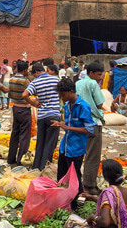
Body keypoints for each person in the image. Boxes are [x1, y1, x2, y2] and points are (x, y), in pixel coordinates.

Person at [51, 78, 95, 210]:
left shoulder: (83, 107)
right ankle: (62, 203)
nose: (61, 97)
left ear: (71, 91)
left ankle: (75, 206)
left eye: (62, 95)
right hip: (65, 147)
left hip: (76, 149)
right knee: (62, 177)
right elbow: (67, 123)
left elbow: (89, 129)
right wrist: (60, 124)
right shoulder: (66, 105)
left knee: (74, 179)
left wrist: (67, 127)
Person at [23, 63, 61, 171]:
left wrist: (33, 103)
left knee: (40, 142)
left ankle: (36, 167)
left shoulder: (35, 82)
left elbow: (24, 95)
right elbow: (61, 92)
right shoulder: (55, 80)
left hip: (42, 116)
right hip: (54, 114)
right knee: (50, 144)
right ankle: (44, 168)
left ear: (36, 72)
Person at [76, 62, 105, 195]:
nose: (100, 77)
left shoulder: (78, 83)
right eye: (98, 74)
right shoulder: (93, 83)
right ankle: (89, 185)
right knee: (93, 156)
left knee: (82, 153)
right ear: (91, 73)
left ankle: (78, 183)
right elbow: (99, 104)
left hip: (80, 122)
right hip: (93, 122)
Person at [84, 159, 127, 228]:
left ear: (105, 177)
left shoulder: (108, 193)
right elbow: (113, 203)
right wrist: (92, 197)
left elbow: (105, 222)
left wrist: (92, 217)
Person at [7, 61, 31, 166]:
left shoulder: (11, 79)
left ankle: (10, 158)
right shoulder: (25, 81)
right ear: (25, 70)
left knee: (15, 133)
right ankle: (21, 159)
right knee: (24, 135)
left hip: (15, 107)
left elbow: (10, 93)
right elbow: (31, 92)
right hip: (24, 109)